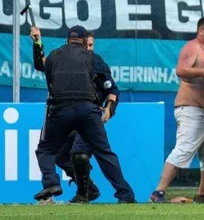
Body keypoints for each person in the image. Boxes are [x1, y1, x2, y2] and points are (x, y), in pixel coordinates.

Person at [33, 25, 135, 203]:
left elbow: (41, 65)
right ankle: (114, 193)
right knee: (102, 153)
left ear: (67, 40)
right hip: (87, 112)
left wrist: (37, 43)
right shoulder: (93, 59)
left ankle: (55, 184)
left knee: (51, 150)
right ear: (83, 41)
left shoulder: (55, 56)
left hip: (62, 111)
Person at [149, 17, 204, 203]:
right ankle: (158, 192)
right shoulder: (193, 47)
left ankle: (202, 194)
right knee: (183, 150)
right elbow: (181, 71)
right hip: (191, 110)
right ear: (201, 32)